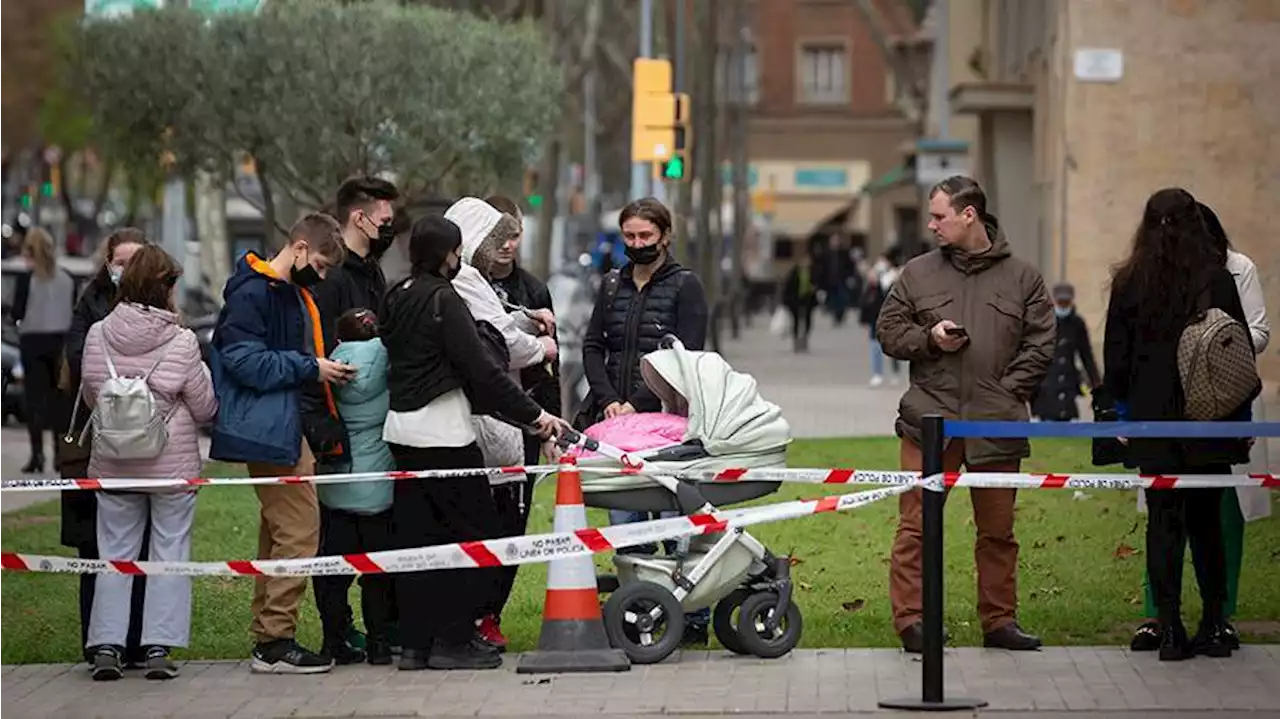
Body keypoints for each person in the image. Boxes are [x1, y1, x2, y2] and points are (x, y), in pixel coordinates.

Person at [876, 175, 1055, 653]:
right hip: (927, 423)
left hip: (995, 426)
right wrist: (929, 339)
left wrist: (1005, 392)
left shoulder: (1023, 277)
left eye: (939, 216)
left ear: (969, 215)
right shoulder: (917, 273)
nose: (931, 225)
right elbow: (889, 332)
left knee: (998, 532)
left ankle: (1000, 622)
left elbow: (1042, 343)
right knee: (915, 526)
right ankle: (912, 621)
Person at [379, 214, 561, 671]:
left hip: (400, 432)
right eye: (456, 251)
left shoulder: (397, 294)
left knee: (418, 540)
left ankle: (416, 643)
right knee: (475, 533)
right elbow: (481, 370)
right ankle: (456, 639)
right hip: (445, 434)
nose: (460, 259)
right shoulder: (446, 299)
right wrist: (534, 416)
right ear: (447, 254)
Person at [1105, 188, 1256, 661]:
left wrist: (1123, 412)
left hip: (1154, 420)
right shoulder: (1215, 278)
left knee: (1163, 522)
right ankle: (1214, 623)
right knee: (1208, 520)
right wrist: (1241, 418)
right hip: (1209, 418)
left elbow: (1117, 358)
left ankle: (1168, 626)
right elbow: (1237, 354)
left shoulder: (1130, 281)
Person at [210, 213, 353, 674]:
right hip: (269, 430)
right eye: (323, 265)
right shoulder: (256, 293)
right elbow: (244, 362)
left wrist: (313, 367)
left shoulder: (284, 292)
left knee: (278, 534)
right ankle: (275, 640)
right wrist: (311, 367)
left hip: (283, 429)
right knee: (298, 533)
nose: (324, 275)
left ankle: (268, 636)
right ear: (299, 249)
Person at [79, 245, 217, 681]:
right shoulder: (181, 340)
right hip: (170, 463)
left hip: (114, 461)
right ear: (168, 287)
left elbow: (91, 396)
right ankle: (157, 645)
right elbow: (204, 407)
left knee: (113, 553)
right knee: (169, 549)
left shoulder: (98, 334)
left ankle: (106, 645)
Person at [580, 197, 711, 643]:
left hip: (667, 419)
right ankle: (638, 606)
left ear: (665, 237)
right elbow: (593, 345)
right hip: (616, 422)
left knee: (676, 519)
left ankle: (691, 613)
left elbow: (686, 353)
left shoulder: (685, 286)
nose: (637, 245)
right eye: (630, 237)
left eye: (645, 237)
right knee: (626, 515)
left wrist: (638, 400)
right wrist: (610, 399)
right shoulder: (612, 284)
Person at [309, 175, 401, 657]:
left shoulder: (371, 272)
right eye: (384, 220)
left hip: (368, 439)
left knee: (370, 548)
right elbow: (319, 354)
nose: (390, 227)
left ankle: (371, 634)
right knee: (337, 549)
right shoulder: (335, 278)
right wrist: (326, 428)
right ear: (358, 217)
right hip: (338, 437)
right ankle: (339, 632)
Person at [60, 228, 150, 667]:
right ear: (107, 262)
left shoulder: (162, 301)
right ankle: (99, 645)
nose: (126, 269)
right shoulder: (89, 304)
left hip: (147, 444)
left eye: (136, 260)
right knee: (95, 551)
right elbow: (78, 361)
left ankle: (139, 642)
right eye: (120, 261)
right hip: (97, 441)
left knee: (145, 549)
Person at [479, 194, 562, 649]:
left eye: (514, 234)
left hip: (527, 423)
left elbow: (551, 362)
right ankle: (464, 612)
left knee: (513, 526)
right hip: (476, 425)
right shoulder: (465, 285)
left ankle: (491, 614)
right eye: (499, 235)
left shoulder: (534, 290)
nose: (508, 244)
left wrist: (553, 426)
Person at [313, 308, 396, 667]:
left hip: (336, 482)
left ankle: (334, 639)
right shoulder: (390, 362)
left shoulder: (328, 368)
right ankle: (380, 643)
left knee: (331, 571)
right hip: (379, 486)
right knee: (378, 573)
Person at [12, 227, 75, 473]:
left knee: (34, 400)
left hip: (33, 341)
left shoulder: (26, 279)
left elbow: (17, 312)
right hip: (60, 342)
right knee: (59, 400)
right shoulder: (67, 279)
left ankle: (37, 455)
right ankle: (61, 455)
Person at [1031, 283, 1101, 422]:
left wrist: (1096, 382)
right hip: (1046, 381)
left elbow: (1086, 354)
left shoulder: (1077, 324)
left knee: (1067, 415)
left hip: (1068, 380)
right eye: (1060, 302)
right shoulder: (1043, 321)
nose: (1063, 305)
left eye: (1066, 302)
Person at [860, 251, 903, 387]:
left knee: (892, 346)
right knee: (875, 346)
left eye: (883, 260)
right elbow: (866, 300)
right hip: (875, 317)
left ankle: (895, 373)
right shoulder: (874, 279)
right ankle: (877, 373)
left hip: (892, 318)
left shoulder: (894, 277)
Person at [781, 247, 819, 353]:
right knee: (796, 320)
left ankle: (805, 338)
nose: (806, 262)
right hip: (795, 299)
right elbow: (788, 286)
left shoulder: (813, 271)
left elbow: (817, 281)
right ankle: (796, 341)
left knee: (807, 319)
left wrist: (814, 287)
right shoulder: (794, 271)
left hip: (808, 299)